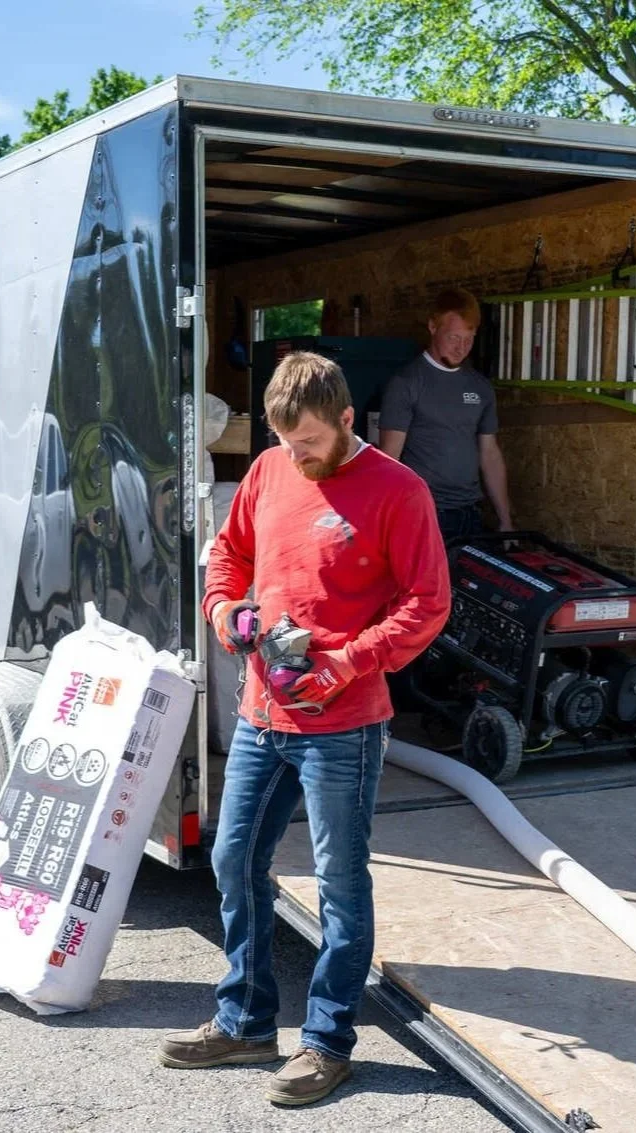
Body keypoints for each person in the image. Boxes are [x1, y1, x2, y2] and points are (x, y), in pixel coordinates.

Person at [158, 352, 451, 1106]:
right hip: (262, 712)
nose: (298, 454)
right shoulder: (266, 471)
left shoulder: (399, 489)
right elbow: (227, 554)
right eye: (287, 441)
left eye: (311, 441)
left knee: (339, 886)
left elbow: (427, 602)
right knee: (232, 859)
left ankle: (326, 1042)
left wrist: (348, 662)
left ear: (348, 420)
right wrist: (225, 611)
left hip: (345, 725)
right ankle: (247, 1019)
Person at [379, 287, 513, 542]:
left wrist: (505, 520)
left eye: (469, 339)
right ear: (432, 327)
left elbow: (490, 454)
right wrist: (385, 521)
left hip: (470, 513)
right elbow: (389, 459)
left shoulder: (480, 387)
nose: (461, 347)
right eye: (454, 337)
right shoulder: (406, 383)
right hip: (424, 512)